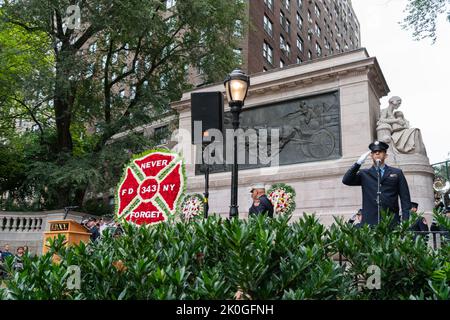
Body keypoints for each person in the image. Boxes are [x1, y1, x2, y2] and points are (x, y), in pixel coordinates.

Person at [342, 140, 412, 226]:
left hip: (391, 221)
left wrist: (405, 222)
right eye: (374, 152)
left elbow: (405, 199)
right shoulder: (364, 174)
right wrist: (358, 163)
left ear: (386, 155)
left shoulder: (397, 173)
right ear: (371, 155)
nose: (377, 153)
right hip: (370, 223)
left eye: (380, 151)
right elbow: (346, 180)